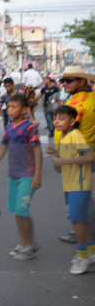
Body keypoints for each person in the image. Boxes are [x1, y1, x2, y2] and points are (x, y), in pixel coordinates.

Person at [0, 93, 42, 260]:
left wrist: (37, 175)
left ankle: (31, 245)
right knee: (17, 212)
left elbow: (37, 151)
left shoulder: (30, 127)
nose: (10, 110)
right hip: (13, 176)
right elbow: (2, 148)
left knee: (22, 210)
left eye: (14, 107)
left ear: (25, 109)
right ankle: (24, 243)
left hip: (27, 176)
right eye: (9, 107)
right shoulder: (9, 128)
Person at [46, 105, 95, 274]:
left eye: (61, 119)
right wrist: (56, 154)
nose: (56, 122)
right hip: (70, 184)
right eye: (54, 119)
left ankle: (82, 256)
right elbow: (64, 160)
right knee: (80, 220)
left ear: (72, 121)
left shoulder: (76, 135)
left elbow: (89, 157)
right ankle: (91, 251)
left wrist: (62, 162)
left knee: (78, 221)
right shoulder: (65, 136)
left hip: (80, 184)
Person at [54, 66, 95, 244]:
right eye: (63, 80)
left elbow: (67, 128)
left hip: (75, 155)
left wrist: (60, 157)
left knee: (76, 195)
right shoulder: (88, 97)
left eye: (68, 80)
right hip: (82, 151)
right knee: (82, 195)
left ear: (82, 81)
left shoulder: (78, 104)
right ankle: (84, 230)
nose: (64, 84)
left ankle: (85, 235)